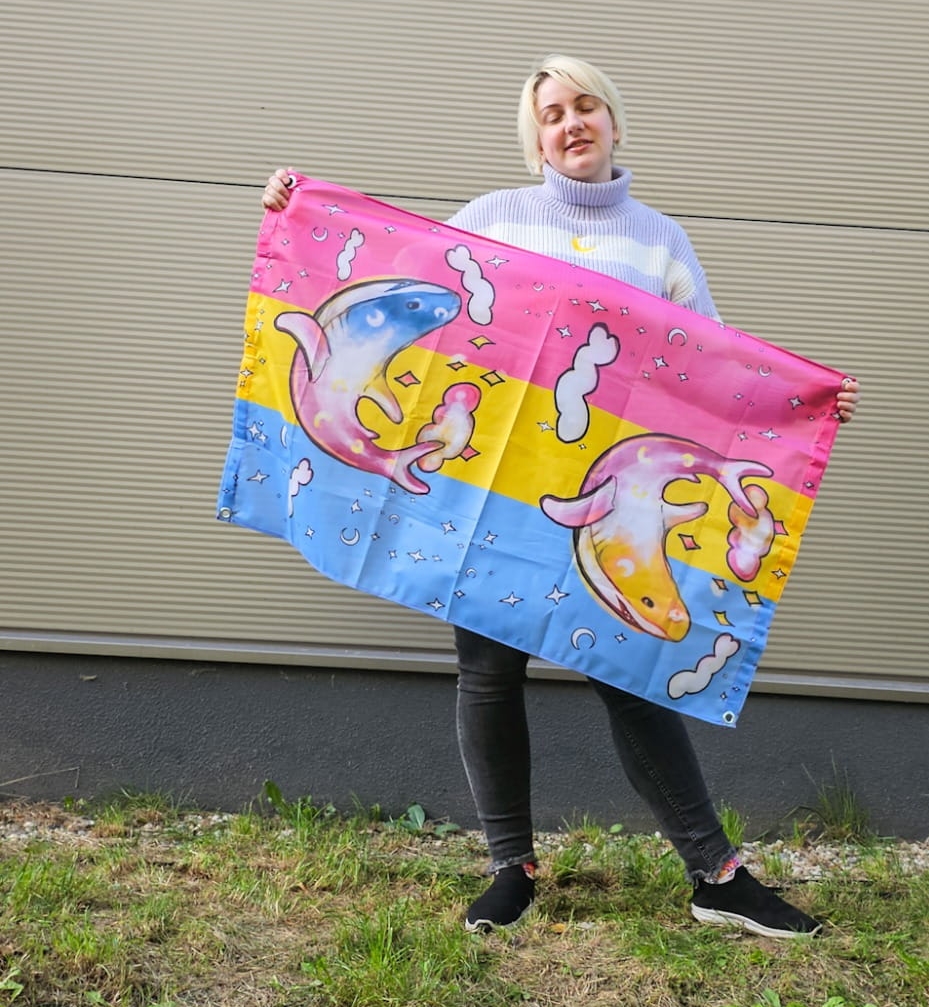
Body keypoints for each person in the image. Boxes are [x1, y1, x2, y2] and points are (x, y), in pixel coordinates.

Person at [262, 54, 860, 940]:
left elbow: (717, 369)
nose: (571, 123)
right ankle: (511, 867)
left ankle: (715, 874)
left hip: (608, 499)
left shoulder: (659, 241)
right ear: (535, 137)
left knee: (630, 678)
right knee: (488, 672)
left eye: (586, 106)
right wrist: (300, 209)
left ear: (612, 121)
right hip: (497, 494)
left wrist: (804, 403)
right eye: (552, 113)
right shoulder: (493, 217)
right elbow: (401, 274)